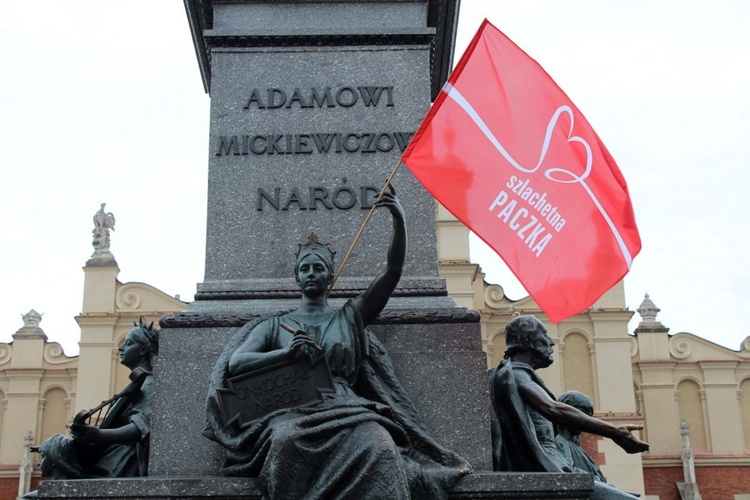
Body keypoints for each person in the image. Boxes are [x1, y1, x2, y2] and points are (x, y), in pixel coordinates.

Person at [205, 189, 470, 499]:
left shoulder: (350, 317)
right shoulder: (273, 324)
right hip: (293, 408)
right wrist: (285, 354)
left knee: (381, 445)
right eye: (305, 269)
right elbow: (238, 362)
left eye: (318, 268)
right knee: (286, 441)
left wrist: (399, 221)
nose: (311, 273)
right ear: (297, 278)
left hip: (346, 406)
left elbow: (393, 272)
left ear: (330, 276)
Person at [489, 315, 646, 499]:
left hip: (556, 471)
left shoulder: (519, 375)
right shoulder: (516, 374)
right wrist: (613, 432)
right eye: (544, 335)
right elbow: (553, 409)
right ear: (528, 341)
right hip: (548, 473)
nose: (551, 342)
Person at [35, 320, 157, 479]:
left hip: (120, 463)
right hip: (110, 459)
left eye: (128, 343)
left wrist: (99, 435)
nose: (121, 348)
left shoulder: (149, 382)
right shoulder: (139, 383)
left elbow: (142, 428)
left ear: (142, 349)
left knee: (56, 445)